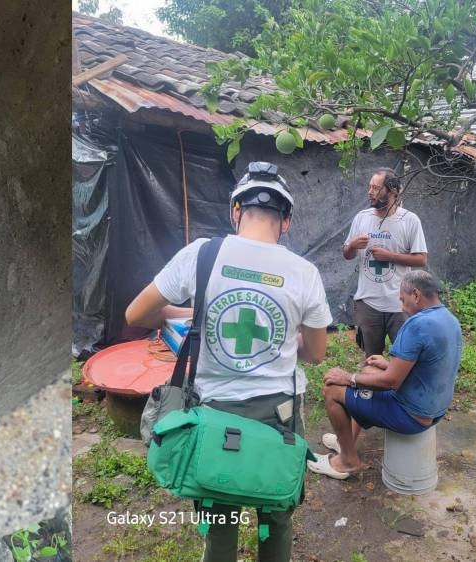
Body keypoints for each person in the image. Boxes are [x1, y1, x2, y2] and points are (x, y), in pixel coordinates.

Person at [125, 162, 332, 562]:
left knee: (218, 513)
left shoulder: (200, 255)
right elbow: (317, 353)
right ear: (285, 221)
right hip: (279, 417)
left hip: (213, 414)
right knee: (275, 512)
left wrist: (177, 313)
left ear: (235, 211)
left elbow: (135, 315)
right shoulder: (304, 272)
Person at [307, 270, 462, 479]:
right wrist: (388, 364)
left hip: (411, 416)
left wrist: (349, 378)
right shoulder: (448, 319)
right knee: (370, 371)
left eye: (403, 299)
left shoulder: (416, 324)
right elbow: (429, 367)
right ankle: (347, 443)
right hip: (433, 410)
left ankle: (347, 462)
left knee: (332, 390)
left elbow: (391, 381)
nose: (401, 306)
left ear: (416, 295)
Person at [342, 168, 427, 357]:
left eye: (376, 188)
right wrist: (352, 245)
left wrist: (390, 256)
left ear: (392, 193)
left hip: (400, 304)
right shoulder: (361, 218)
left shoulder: (409, 220)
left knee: (405, 357)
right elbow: (347, 254)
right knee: (371, 359)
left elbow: (421, 258)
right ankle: (372, 387)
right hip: (368, 303)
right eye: (370, 187)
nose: (370, 192)